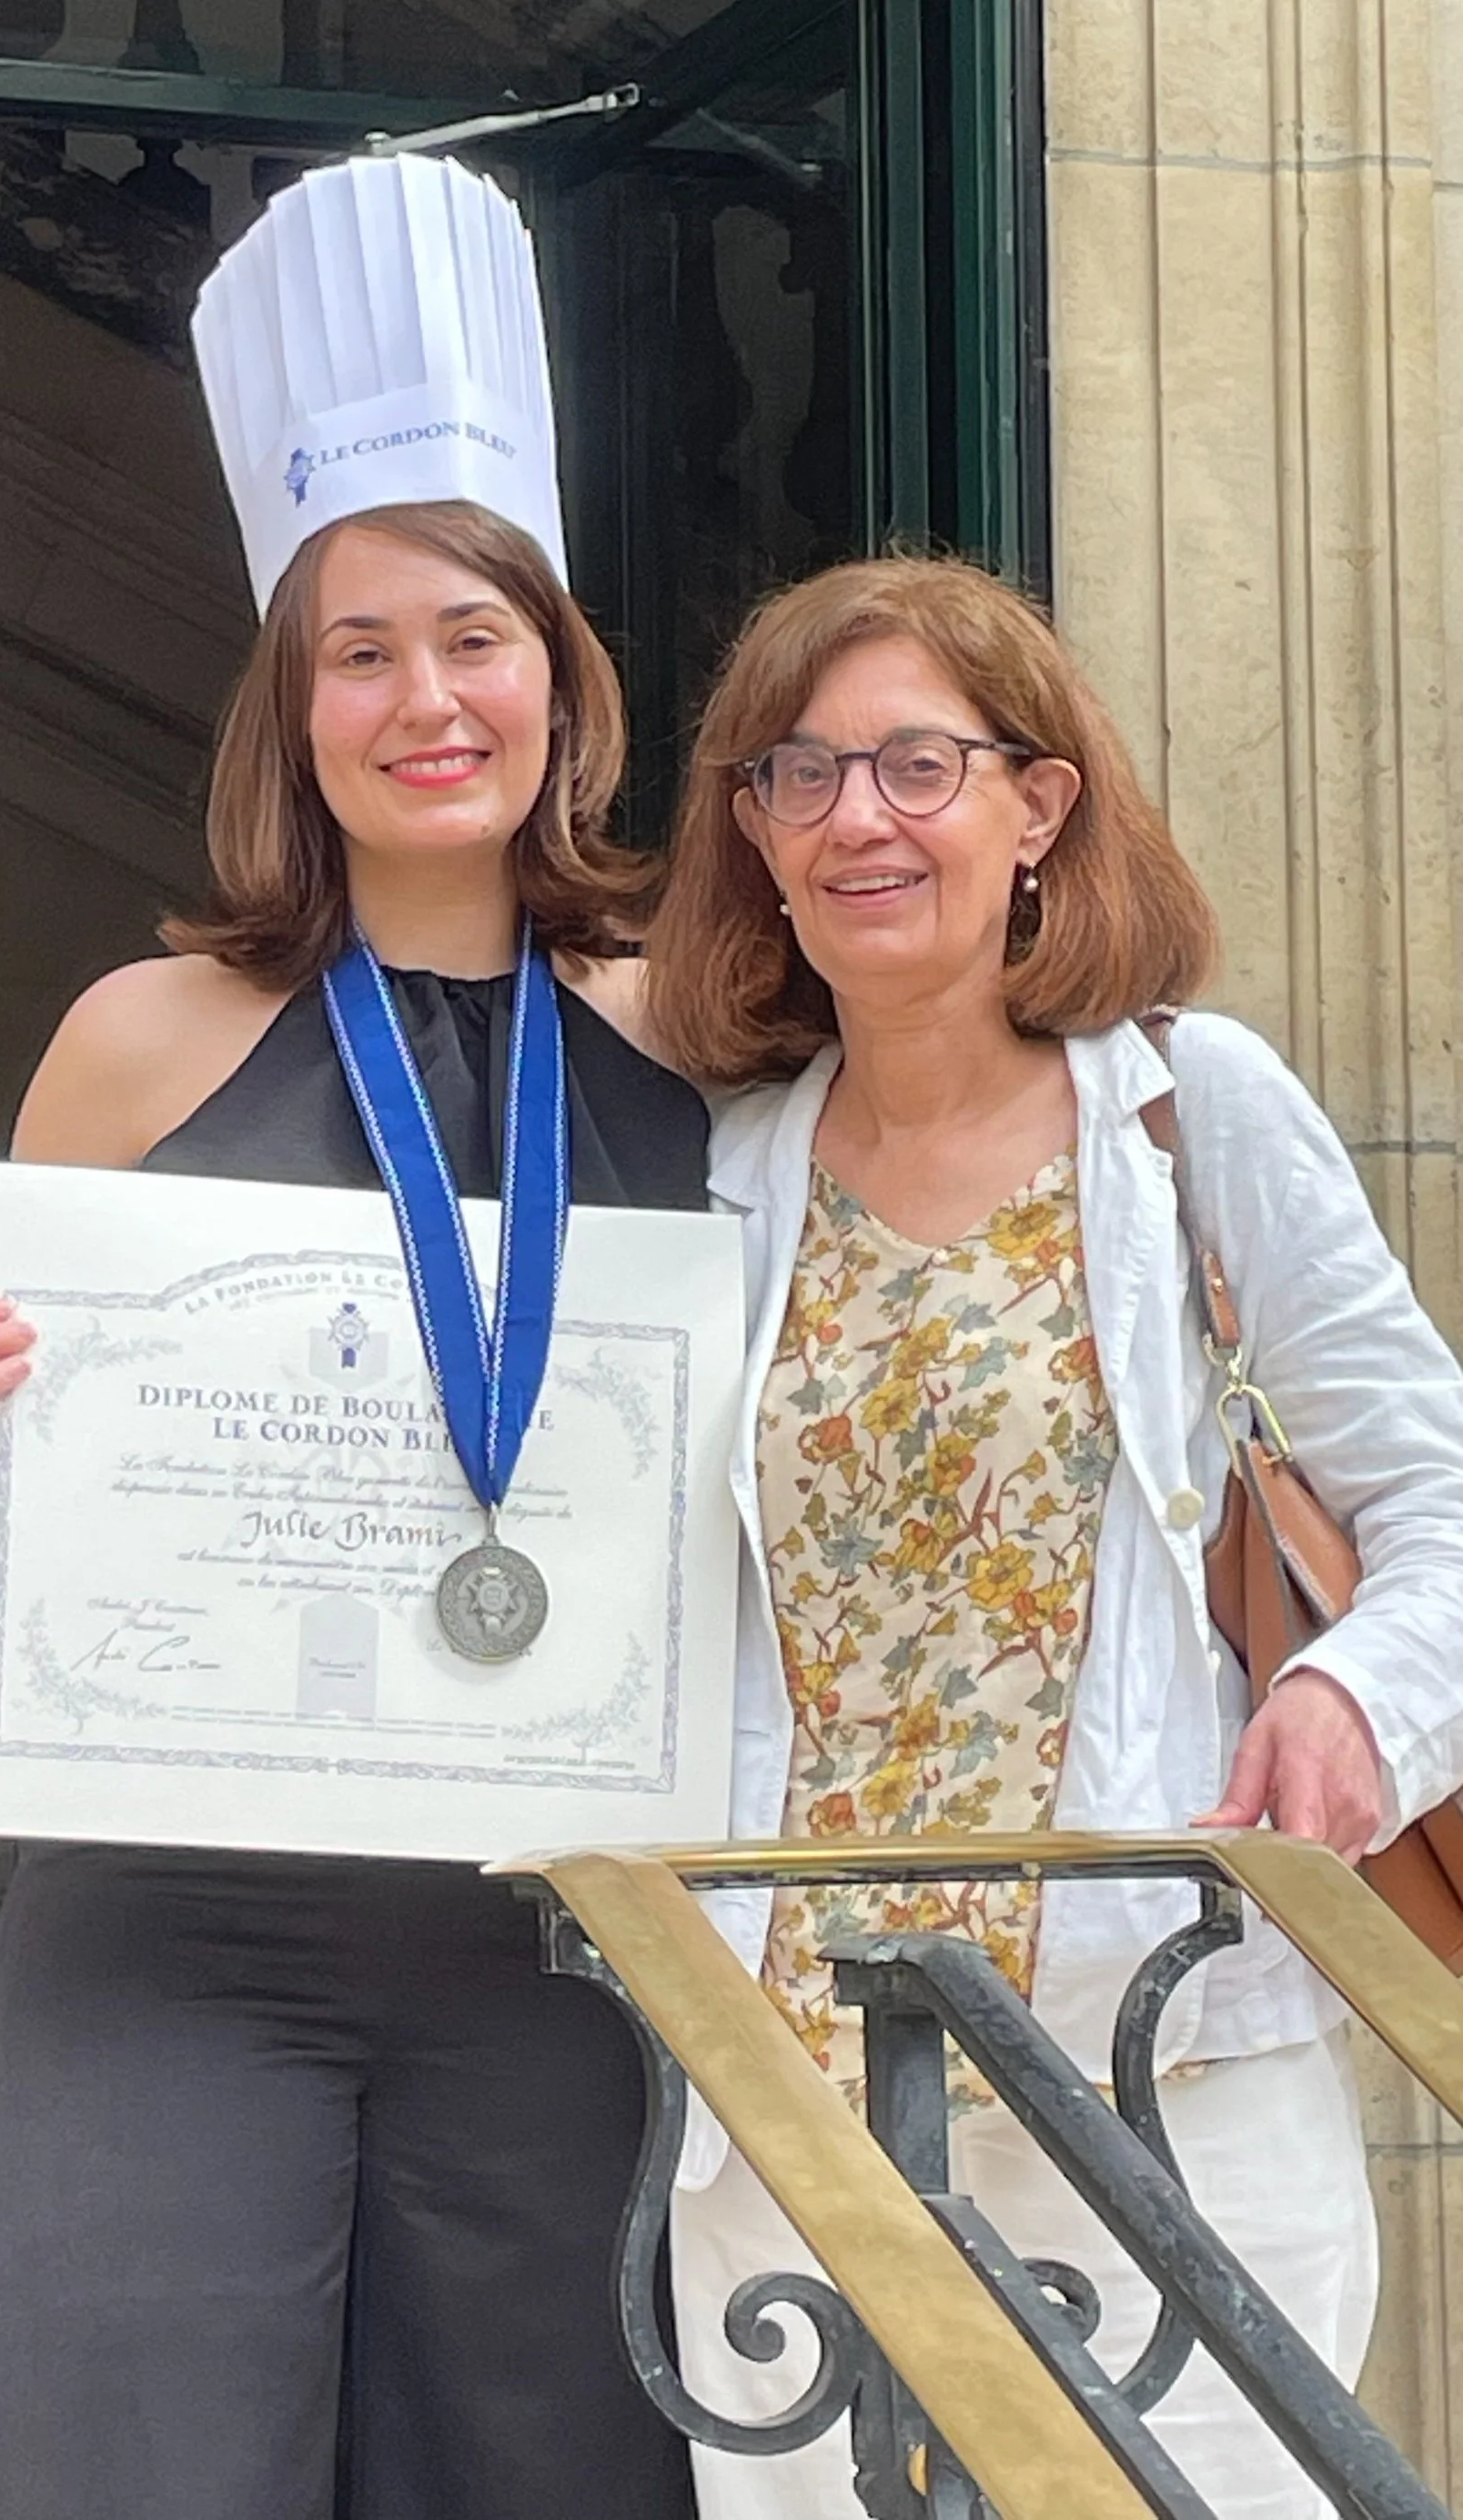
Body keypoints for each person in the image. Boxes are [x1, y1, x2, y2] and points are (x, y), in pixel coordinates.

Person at [0, 156, 704, 2520]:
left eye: (474, 633)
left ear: (561, 665)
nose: (426, 696)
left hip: (559, 1953)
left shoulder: (706, 1037)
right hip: (169, 1940)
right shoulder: (137, 1037)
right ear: (289, 699)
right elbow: (26, 1528)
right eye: (361, 647)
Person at [645, 553, 1463, 2518]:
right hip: (792, 2111)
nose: (859, 817)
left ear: (1041, 804)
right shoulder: (714, 1170)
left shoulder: (1192, 1114)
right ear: (752, 837)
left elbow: (1441, 1501)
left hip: (1153, 2074)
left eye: (920, 765)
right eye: (802, 774)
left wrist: (1355, 1701)